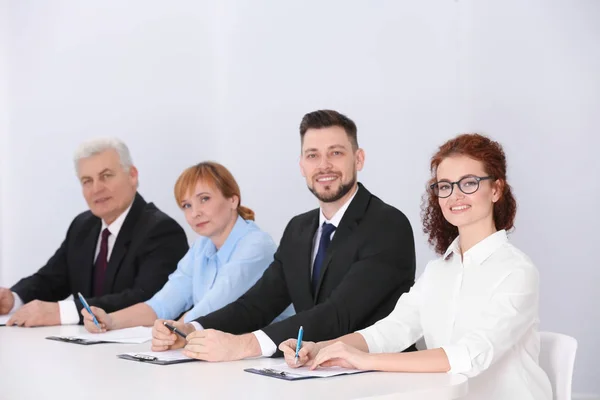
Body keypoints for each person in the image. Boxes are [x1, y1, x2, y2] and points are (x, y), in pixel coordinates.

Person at [280, 133, 552, 400]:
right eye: (445, 186)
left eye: (468, 183)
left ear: (496, 189)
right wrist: (321, 348)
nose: (455, 195)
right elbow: (392, 330)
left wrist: (364, 361)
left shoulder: (517, 272)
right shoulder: (438, 271)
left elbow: (470, 355)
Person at [150, 109, 416, 362]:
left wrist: (244, 345)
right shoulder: (299, 229)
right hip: (313, 373)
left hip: (381, 376)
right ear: (301, 165)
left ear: (358, 159)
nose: (324, 165)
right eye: (312, 155)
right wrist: (191, 330)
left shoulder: (387, 225)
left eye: (335, 153)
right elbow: (259, 302)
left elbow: (338, 314)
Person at [82, 161, 293, 332]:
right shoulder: (201, 247)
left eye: (204, 199)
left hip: (272, 357)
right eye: (187, 205)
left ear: (232, 200)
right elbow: (162, 304)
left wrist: (176, 331)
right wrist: (109, 320)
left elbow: (213, 306)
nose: (195, 213)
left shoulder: (255, 245)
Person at [0, 138, 188, 327]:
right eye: (87, 181)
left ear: (132, 175)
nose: (96, 189)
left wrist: (64, 312)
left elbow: (147, 300)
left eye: (106, 176)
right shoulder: (83, 225)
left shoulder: (161, 230)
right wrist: (14, 299)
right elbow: (51, 279)